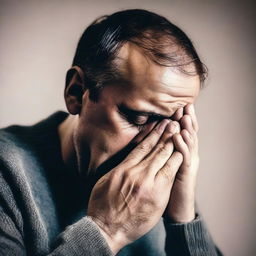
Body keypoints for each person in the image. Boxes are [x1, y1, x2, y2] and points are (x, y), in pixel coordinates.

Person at [0, 9, 223, 256]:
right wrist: (107, 231)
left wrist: (184, 218)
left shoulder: (157, 185)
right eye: (138, 118)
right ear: (76, 93)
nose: (153, 144)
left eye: (174, 123)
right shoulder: (6, 174)